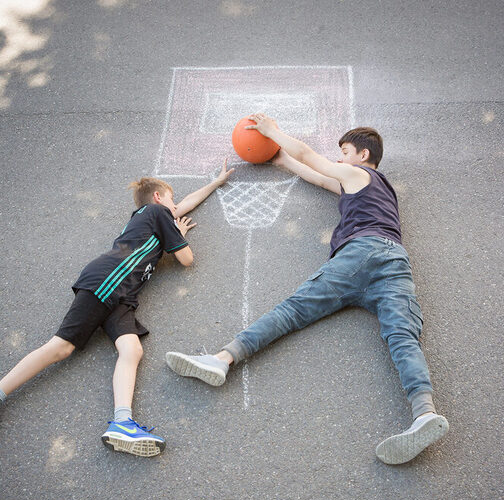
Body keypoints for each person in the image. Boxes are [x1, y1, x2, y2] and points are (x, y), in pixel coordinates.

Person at [166, 114, 449, 465]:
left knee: (292, 311)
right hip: (393, 264)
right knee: (403, 335)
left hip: (361, 256)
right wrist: (284, 163)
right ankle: (424, 414)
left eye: (344, 152)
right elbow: (318, 176)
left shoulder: (359, 173)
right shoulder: (369, 187)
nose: (340, 159)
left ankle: (223, 358)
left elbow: (312, 156)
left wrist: (273, 133)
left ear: (362, 155)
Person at [0, 160, 234, 457]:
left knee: (132, 350)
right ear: (159, 199)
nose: (176, 207)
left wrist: (214, 184)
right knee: (61, 348)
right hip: (108, 282)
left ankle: (122, 422)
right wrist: (180, 238)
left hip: (122, 296)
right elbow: (186, 258)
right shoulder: (158, 212)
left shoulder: (153, 215)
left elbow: (185, 205)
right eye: (171, 199)